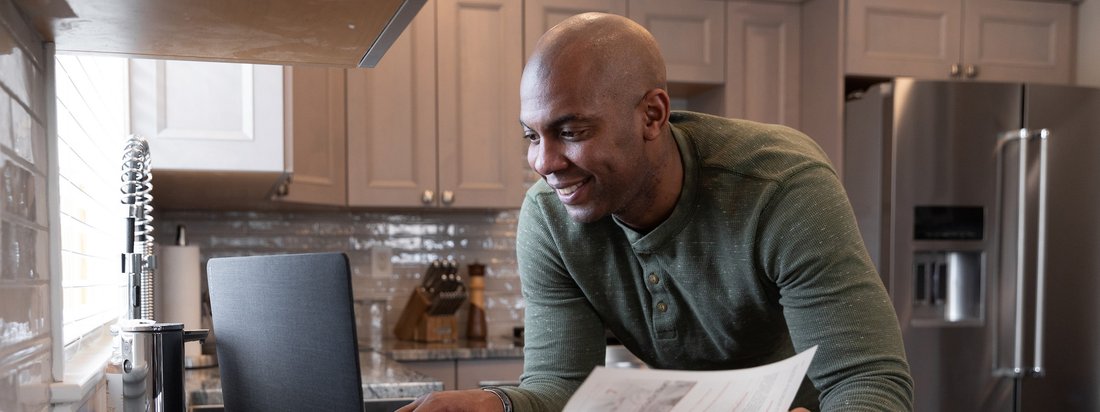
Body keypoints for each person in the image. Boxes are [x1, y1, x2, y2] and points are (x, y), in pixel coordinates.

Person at [399, 12, 913, 412]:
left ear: (652, 115)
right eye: (532, 136)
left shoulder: (780, 188)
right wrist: (498, 404)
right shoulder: (551, 220)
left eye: (571, 131)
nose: (544, 163)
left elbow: (868, 382)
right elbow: (560, 387)